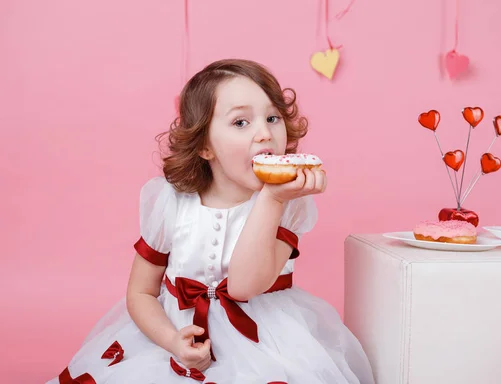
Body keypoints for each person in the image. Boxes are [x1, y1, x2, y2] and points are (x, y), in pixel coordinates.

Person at [47, 59, 375, 384]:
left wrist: (272, 199)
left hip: (265, 344)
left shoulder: (286, 204)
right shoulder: (171, 202)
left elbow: (244, 286)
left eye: (272, 117)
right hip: (173, 337)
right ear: (205, 145)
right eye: (241, 123)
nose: (265, 133)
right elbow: (140, 293)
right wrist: (172, 340)